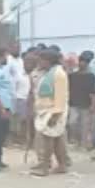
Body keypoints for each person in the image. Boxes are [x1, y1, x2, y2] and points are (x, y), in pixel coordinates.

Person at [30, 48, 70, 176]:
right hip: (45, 110)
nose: (39, 62)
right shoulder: (47, 73)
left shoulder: (58, 74)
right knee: (57, 139)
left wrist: (56, 114)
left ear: (48, 61)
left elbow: (61, 95)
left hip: (53, 111)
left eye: (41, 60)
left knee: (46, 139)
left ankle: (44, 166)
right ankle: (62, 165)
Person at [68, 51, 95, 150]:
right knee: (72, 123)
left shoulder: (91, 76)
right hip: (73, 103)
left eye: (85, 62)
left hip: (86, 103)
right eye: (81, 61)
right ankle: (76, 140)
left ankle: (83, 144)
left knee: (85, 126)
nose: (82, 63)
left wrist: (93, 105)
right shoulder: (72, 76)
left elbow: (92, 92)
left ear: (87, 63)